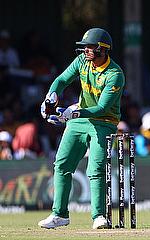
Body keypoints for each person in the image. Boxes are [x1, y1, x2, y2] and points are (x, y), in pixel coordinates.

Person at [37, 28, 125, 229]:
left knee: (95, 169)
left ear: (103, 49)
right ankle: (59, 215)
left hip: (104, 122)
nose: (85, 50)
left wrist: (72, 113)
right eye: (84, 47)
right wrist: (51, 96)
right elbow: (61, 80)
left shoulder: (115, 74)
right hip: (79, 120)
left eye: (90, 47)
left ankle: (99, 216)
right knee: (62, 165)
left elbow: (102, 108)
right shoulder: (82, 62)